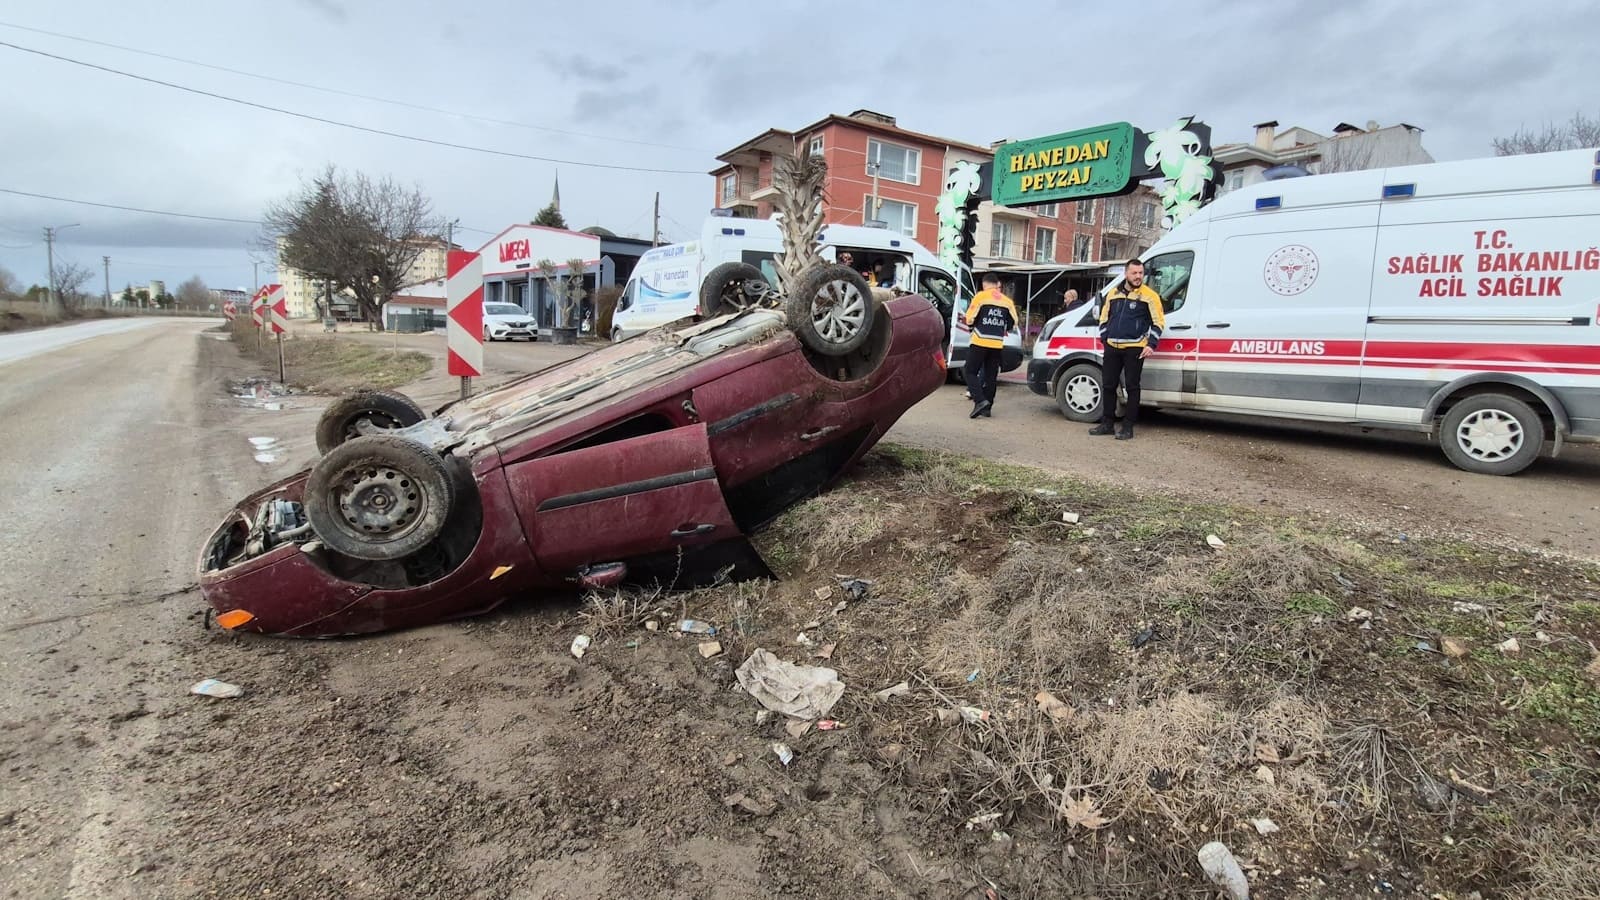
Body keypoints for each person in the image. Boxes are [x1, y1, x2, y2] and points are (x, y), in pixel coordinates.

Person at [1089, 258, 1164, 440]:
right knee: (1108, 385)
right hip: (1112, 347)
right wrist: (1105, 338)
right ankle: (1107, 424)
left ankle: (1128, 427)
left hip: (1135, 349)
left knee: (1132, 387)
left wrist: (1151, 344)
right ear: (1126, 274)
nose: (1138, 276)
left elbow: (1159, 322)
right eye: (1134, 273)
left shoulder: (1150, 295)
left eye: (1140, 273)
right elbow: (1104, 317)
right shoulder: (1113, 293)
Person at [962, 273, 1017, 419]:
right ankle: (988, 408)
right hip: (997, 343)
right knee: (991, 376)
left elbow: (969, 318)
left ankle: (980, 401)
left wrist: (974, 323)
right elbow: (1013, 323)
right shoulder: (1007, 301)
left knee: (970, 371)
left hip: (980, 340)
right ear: (996, 283)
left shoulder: (981, 296)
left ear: (984, 284)